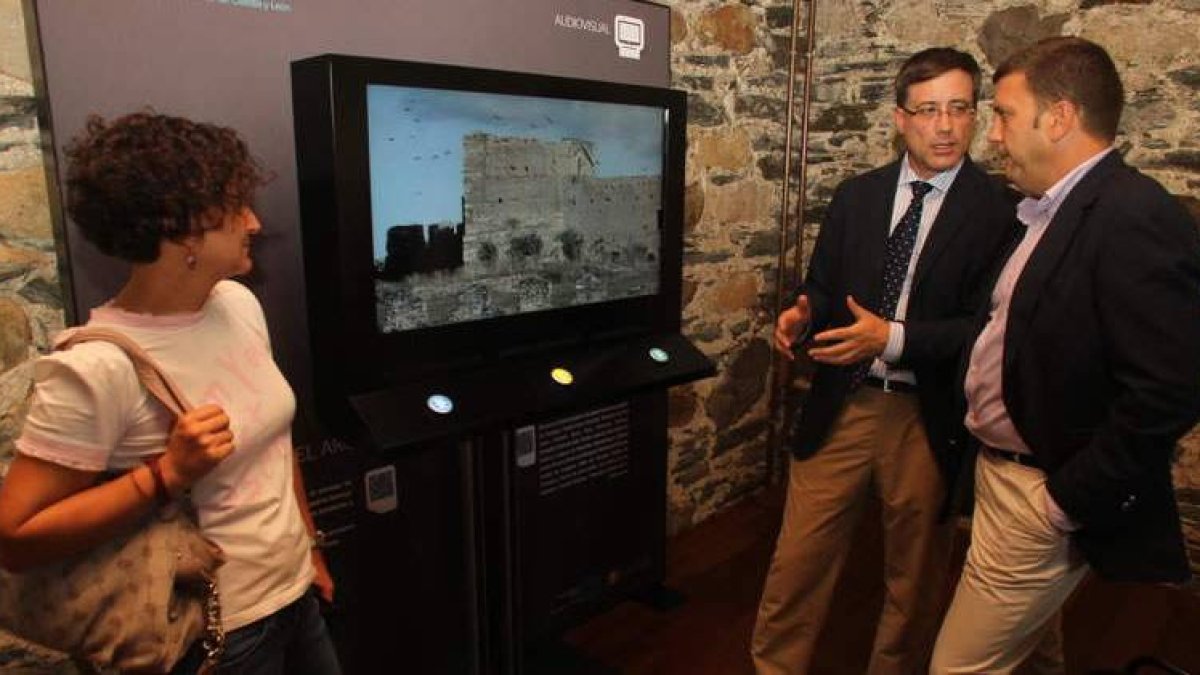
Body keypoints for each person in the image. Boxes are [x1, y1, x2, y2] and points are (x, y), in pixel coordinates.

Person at [0, 112, 341, 675]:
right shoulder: (97, 368)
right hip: (213, 636)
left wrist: (308, 546)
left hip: (295, 600)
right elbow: (16, 537)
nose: (253, 222)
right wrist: (165, 474)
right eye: (236, 208)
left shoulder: (236, 304)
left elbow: (274, 442)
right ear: (183, 230)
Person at [929, 36, 1200, 674]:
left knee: (957, 666)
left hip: (1042, 493)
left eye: (1002, 114)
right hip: (1005, 477)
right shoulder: (1049, 210)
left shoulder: (1133, 215)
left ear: (1060, 118)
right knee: (1033, 651)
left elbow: (1169, 389)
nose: (991, 136)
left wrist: (1065, 501)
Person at [752, 48, 1016, 675]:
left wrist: (891, 339)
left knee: (914, 577)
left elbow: (985, 329)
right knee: (798, 562)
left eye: (959, 109)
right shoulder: (857, 197)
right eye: (928, 111)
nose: (945, 126)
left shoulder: (1002, 210)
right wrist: (802, 313)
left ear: (976, 115)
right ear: (899, 118)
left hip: (926, 415)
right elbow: (822, 286)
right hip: (842, 401)